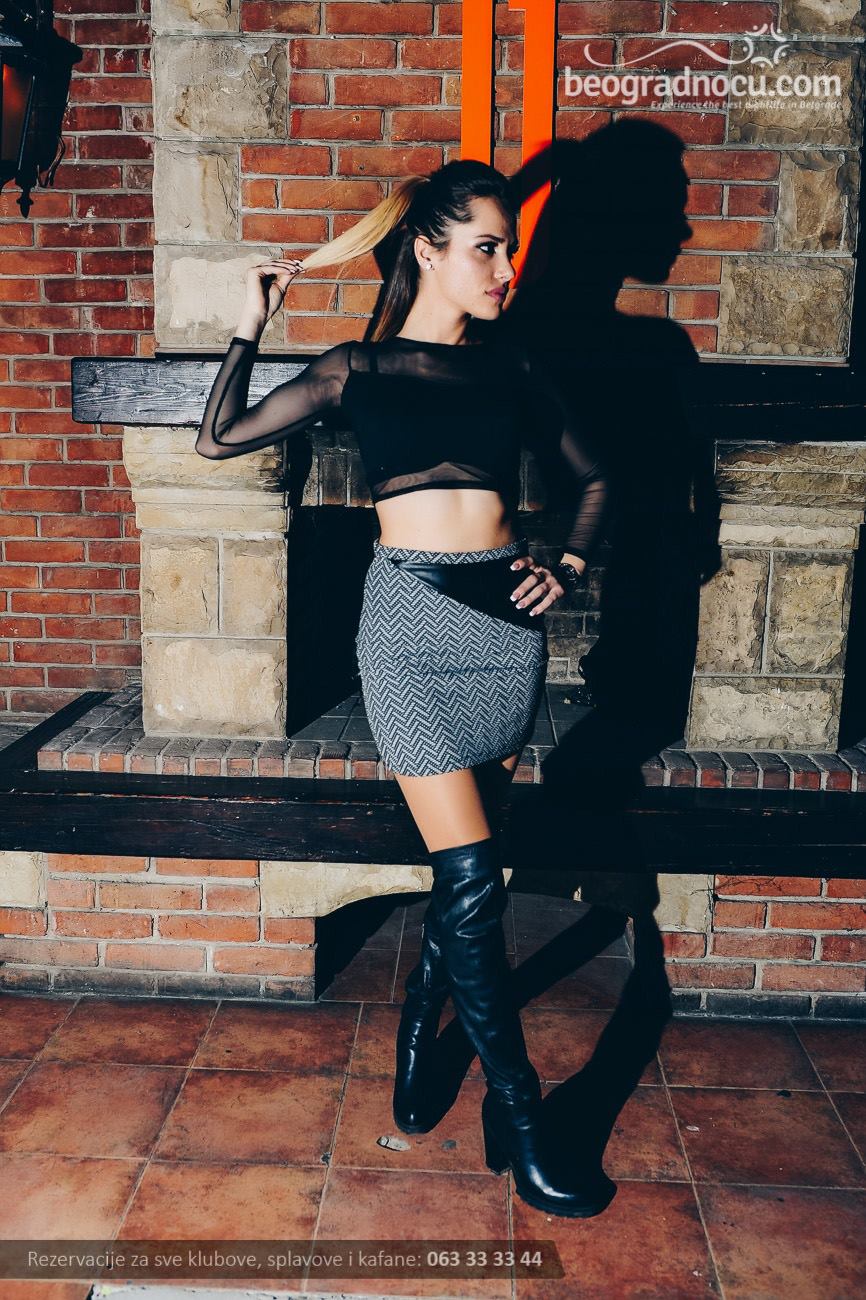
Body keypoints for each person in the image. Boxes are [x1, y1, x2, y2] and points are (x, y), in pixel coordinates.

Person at [195, 160, 613, 1217]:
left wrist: (565, 565)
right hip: (409, 627)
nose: (505, 269)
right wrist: (250, 325)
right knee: (472, 879)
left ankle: (421, 1030)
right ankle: (520, 1114)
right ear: (427, 250)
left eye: (509, 248)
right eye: (486, 247)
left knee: (471, 877)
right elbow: (217, 438)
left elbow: (597, 478)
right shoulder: (356, 368)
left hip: (503, 630)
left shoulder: (513, 367)